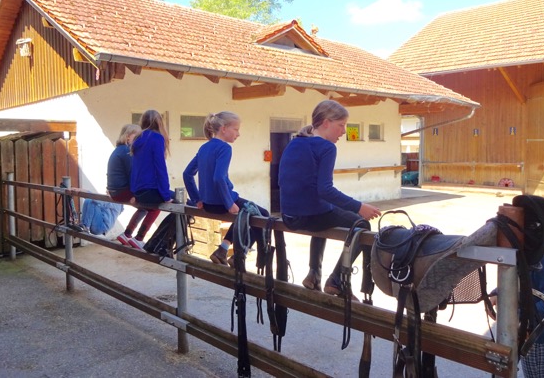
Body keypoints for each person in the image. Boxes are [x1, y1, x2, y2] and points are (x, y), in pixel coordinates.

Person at [278, 100, 381, 295]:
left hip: (288, 216)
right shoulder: (327, 147)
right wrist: (359, 207)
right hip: (310, 217)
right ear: (326, 123)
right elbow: (325, 190)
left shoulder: (294, 142)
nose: (343, 131)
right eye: (341, 125)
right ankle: (336, 279)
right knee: (361, 224)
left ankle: (314, 274)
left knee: (326, 211)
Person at [183, 111, 269, 266]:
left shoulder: (204, 148)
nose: (238, 134)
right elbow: (219, 177)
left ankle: (223, 250)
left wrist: (197, 199)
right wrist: (229, 203)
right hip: (222, 203)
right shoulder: (224, 148)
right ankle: (243, 256)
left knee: (247, 211)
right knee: (262, 214)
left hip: (208, 204)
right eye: (236, 129)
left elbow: (187, 174)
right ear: (223, 128)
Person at [491, 249, 544, 378]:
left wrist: (523, 321)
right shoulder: (522, 248)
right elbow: (517, 277)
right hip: (515, 330)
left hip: (534, 337)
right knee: (504, 370)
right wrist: (497, 292)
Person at [106, 124, 161, 247]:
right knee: (155, 207)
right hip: (122, 191)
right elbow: (133, 175)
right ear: (127, 137)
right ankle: (139, 238)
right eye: (137, 136)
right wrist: (137, 195)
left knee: (144, 206)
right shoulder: (127, 151)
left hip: (115, 191)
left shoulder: (118, 150)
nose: (140, 139)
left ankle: (127, 234)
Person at [129, 110, 174, 250]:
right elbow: (160, 168)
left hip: (139, 191)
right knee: (186, 205)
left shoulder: (138, 139)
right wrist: (166, 195)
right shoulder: (157, 138)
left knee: (176, 207)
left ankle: (140, 237)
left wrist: (134, 193)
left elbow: (135, 169)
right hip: (151, 190)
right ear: (159, 122)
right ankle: (159, 243)